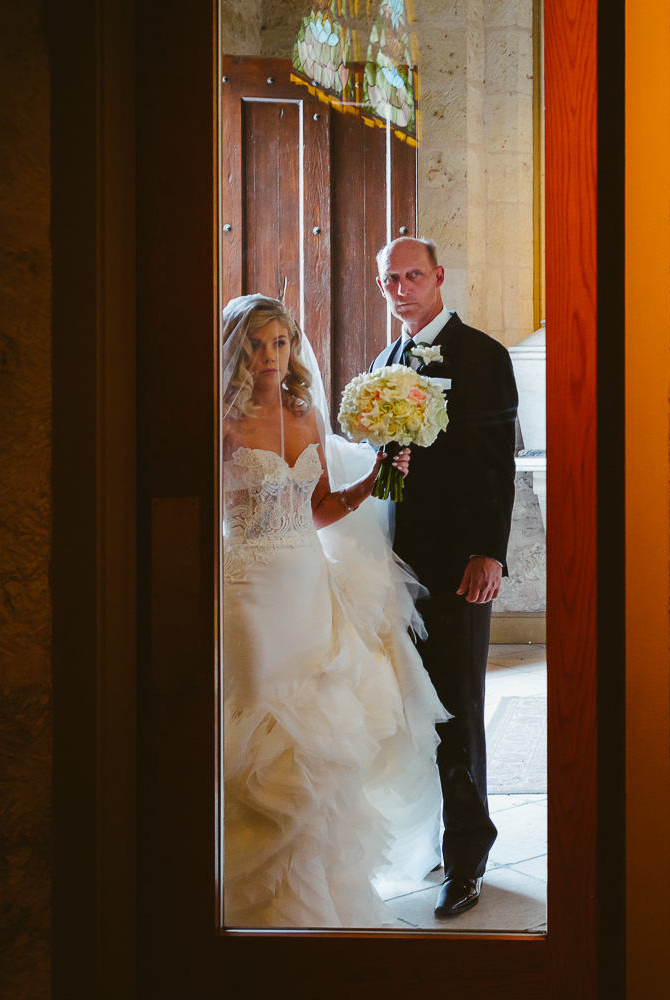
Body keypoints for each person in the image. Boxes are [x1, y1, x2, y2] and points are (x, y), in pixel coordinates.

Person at [220, 294, 447, 927]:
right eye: (258, 344)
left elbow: (319, 507)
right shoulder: (223, 422)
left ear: (294, 350)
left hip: (305, 583)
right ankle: (245, 902)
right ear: (240, 351)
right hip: (248, 586)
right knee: (259, 722)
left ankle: (310, 895)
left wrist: (377, 475)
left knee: (313, 735)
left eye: (281, 343)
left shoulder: (305, 414)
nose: (271, 356)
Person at [369, 236, 519, 918]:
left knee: (457, 713)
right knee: (412, 710)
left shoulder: (482, 356)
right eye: (389, 278)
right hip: (397, 564)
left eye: (412, 275)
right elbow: (393, 472)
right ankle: (428, 836)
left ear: (438, 277)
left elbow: (494, 464)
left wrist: (488, 551)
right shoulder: (385, 361)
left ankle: (467, 860)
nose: (400, 288)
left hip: (460, 565)